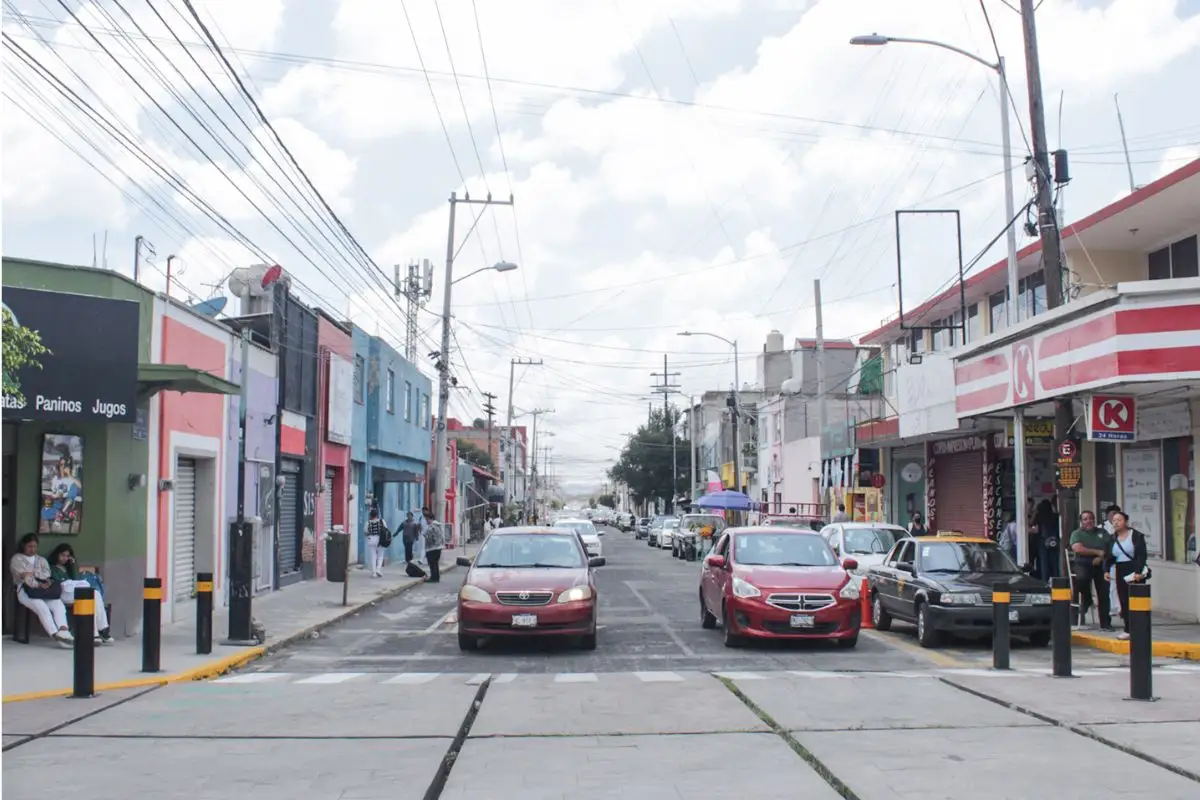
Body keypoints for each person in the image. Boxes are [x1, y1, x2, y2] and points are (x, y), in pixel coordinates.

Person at [9, 533, 73, 647]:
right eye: (29, 546)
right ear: (24, 546)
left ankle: (64, 632)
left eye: (35, 546)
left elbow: (46, 574)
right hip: (25, 591)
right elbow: (23, 577)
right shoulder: (17, 559)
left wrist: (31, 574)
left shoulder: (41, 560)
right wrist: (37, 583)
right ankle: (55, 634)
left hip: (44, 590)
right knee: (41, 607)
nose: (32, 549)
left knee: (58, 605)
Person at [47, 543, 113, 644]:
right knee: (92, 595)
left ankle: (97, 632)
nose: (65, 558)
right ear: (57, 555)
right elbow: (57, 581)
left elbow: (77, 579)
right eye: (62, 555)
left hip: (75, 593)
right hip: (63, 594)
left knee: (95, 595)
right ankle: (100, 630)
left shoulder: (68, 567)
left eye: (67, 556)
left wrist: (73, 565)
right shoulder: (52, 567)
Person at [1104, 510, 1149, 641]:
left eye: (1119, 520)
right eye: (1114, 521)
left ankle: (1140, 628)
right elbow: (1109, 557)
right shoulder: (1112, 538)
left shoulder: (1135, 536)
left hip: (1134, 569)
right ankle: (1128, 629)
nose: (1116, 523)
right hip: (1120, 569)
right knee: (1124, 601)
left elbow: (1141, 555)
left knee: (1137, 600)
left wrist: (1139, 572)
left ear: (1126, 522)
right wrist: (1106, 570)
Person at [1069, 511, 1113, 631]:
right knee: (1081, 580)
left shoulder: (1102, 532)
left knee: (1104, 592)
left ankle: (1105, 623)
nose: (1089, 521)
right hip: (1082, 563)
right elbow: (1078, 549)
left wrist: (1100, 557)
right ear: (1081, 522)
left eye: (1091, 518)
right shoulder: (1077, 533)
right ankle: (1086, 600)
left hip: (1100, 564)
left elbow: (1109, 547)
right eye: (1085, 519)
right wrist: (1096, 552)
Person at [1033, 498, 1061, 581]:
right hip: (1054, 541)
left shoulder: (1039, 516)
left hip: (1042, 540)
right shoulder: (1055, 516)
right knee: (1055, 562)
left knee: (1043, 562)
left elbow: (1031, 523)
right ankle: (1057, 580)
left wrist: (1035, 512)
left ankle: (1044, 580)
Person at [364, 508, 388, 578]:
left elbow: (365, 532)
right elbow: (386, 529)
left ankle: (374, 572)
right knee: (380, 555)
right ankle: (378, 569)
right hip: (380, 539)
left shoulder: (368, 522)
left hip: (371, 539)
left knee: (373, 556)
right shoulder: (382, 521)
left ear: (371, 515)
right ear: (377, 515)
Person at [422, 507, 444, 583]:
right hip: (438, 547)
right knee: (435, 564)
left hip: (432, 548)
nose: (426, 521)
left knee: (432, 564)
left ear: (429, 519)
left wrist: (424, 534)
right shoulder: (438, 526)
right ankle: (436, 577)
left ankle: (433, 578)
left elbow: (428, 537)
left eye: (426, 519)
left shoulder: (432, 527)